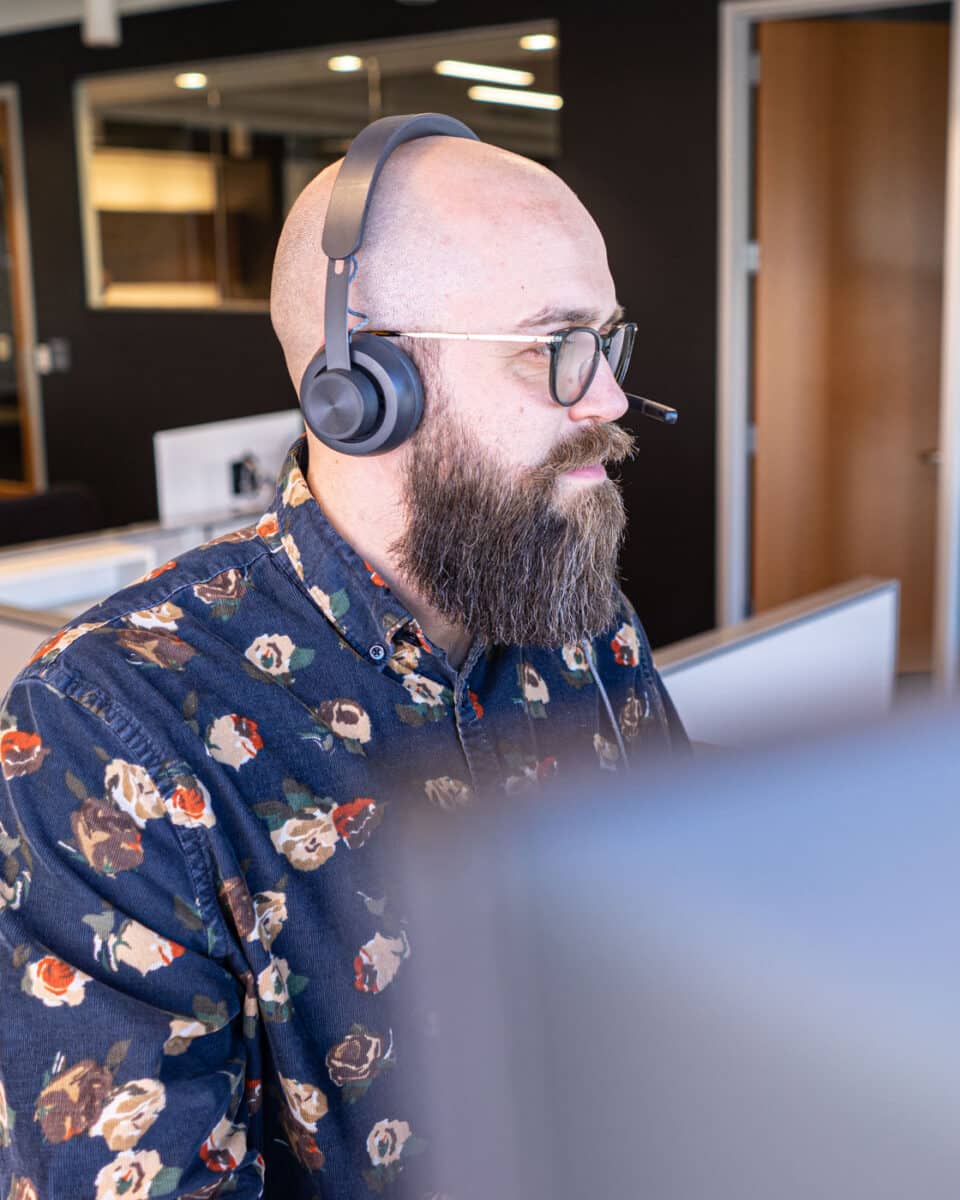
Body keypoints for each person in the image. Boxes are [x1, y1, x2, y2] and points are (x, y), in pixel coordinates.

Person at [0, 118, 687, 1199]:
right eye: (553, 347)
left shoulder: (580, 622)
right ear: (361, 386)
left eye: (608, 342)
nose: (604, 399)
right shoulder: (111, 725)